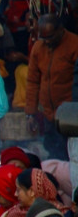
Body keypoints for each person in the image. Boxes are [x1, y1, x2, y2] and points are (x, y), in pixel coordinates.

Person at [24, 14, 78, 159]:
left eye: (50, 38)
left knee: (70, 155)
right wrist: (31, 112)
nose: (47, 42)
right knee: (52, 153)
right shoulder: (38, 47)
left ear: (60, 30)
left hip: (70, 113)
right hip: (48, 114)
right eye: (44, 38)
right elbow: (32, 81)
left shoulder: (74, 44)